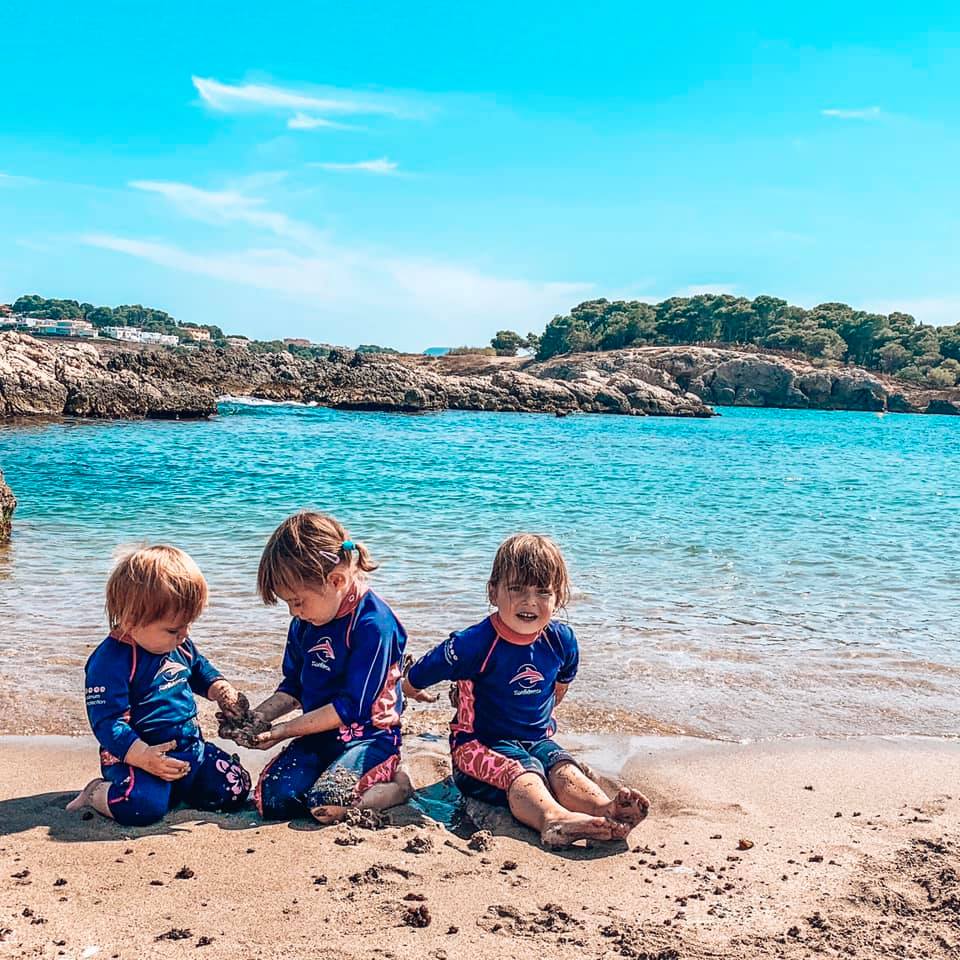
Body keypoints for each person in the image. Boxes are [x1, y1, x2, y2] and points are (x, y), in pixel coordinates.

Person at [403, 533, 649, 847]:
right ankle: (553, 819)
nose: (529, 601)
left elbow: (560, 687)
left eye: (542, 592)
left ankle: (605, 811)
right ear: (493, 592)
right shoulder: (472, 644)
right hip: (477, 748)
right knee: (526, 771)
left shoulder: (561, 641)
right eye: (516, 588)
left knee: (561, 767)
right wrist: (411, 688)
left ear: (558, 598)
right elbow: (423, 671)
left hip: (535, 739)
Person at [66, 546, 251, 825]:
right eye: (174, 629)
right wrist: (143, 756)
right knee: (143, 808)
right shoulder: (110, 662)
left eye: (188, 625)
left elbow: (199, 670)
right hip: (137, 758)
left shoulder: (179, 644)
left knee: (236, 787)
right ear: (130, 620)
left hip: (190, 749)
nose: (184, 635)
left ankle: (178, 790)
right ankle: (96, 793)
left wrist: (222, 690)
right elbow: (108, 723)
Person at [247, 511, 411, 823]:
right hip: (318, 736)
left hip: (369, 737)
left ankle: (398, 787)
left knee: (327, 805)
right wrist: (260, 717)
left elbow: (350, 707)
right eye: (288, 604)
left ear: (335, 580)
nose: (294, 612)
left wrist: (282, 732)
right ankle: (326, 774)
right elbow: (293, 687)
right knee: (272, 801)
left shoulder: (374, 625)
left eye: (297, 601)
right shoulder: (306, 622)